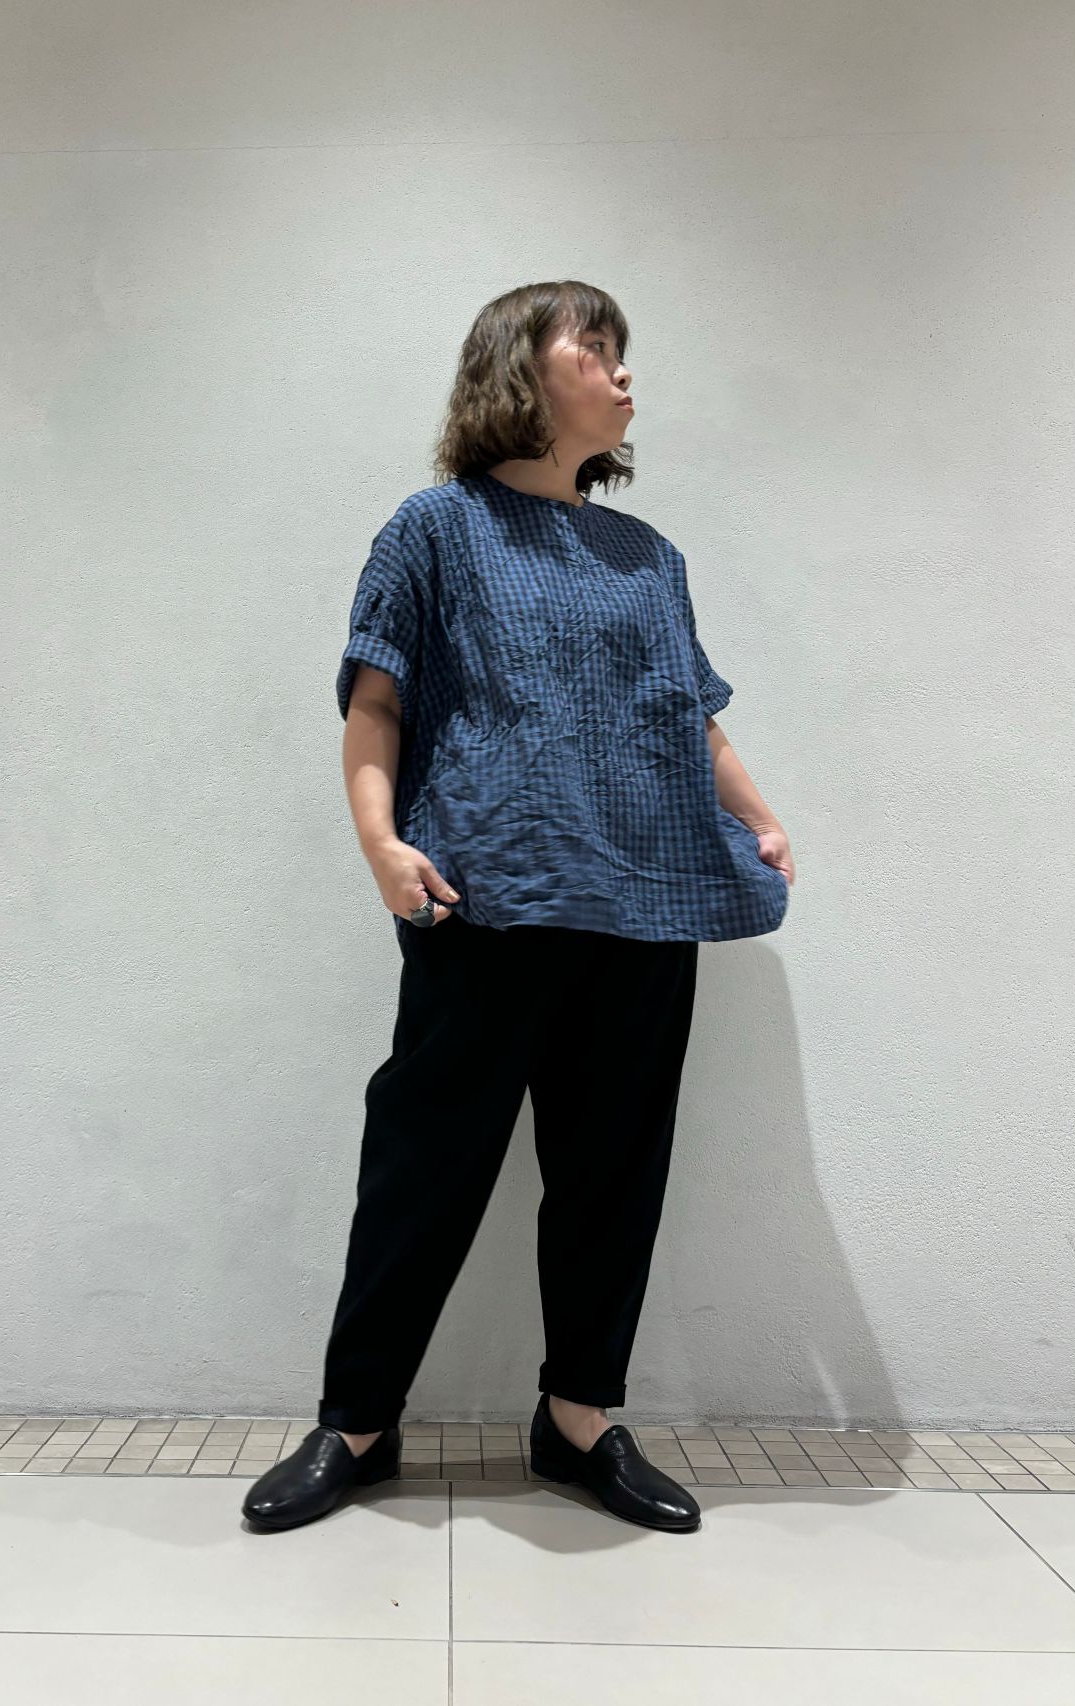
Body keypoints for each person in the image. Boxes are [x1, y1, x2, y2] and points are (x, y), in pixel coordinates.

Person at [243, 280, 795, 1535]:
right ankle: (356, 1421)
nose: (621, 372)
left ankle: (578, 1418)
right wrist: (380, 844)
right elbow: (374, 703)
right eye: (594, 348)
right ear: (517, 369)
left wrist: (759, 815)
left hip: (642, 903)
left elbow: (691, 718)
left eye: (621, 352)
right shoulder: (433, 529)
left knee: (612, 1172)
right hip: (483, 896)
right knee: (421, 1165)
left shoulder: (649, 557)